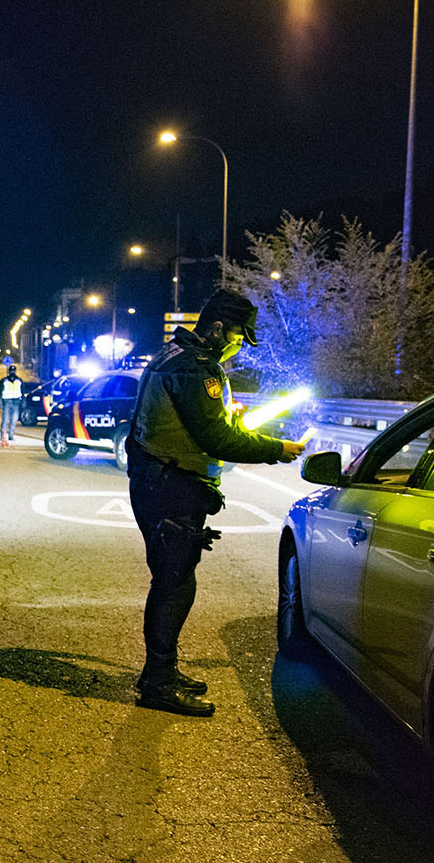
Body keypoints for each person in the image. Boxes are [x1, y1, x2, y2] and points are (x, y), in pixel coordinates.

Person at [126, 289, 306, 717]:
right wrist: (275, 448)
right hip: (170, 486)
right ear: (220, 328)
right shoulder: (194, 367)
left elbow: (203, 424)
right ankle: (158, 684)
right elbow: (214, 438)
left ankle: (161, 671)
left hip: (157, 479)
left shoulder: (174, 354)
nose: (239, 346)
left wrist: (228, 417)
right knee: (174, 584)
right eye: (239, 338)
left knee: (173, 580)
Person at [0, 363, 24, 447]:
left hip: (16, 402)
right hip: (7, 402)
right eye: (11, 371)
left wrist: (23, 402)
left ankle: (11, 435)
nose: (12, 372)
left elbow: (23, 392)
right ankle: (3, 436)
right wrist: (0, 402)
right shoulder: (4, 380)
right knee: (5, 420)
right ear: (9, 371)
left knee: (14, 420)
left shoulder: (19, 380)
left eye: (13, 371)